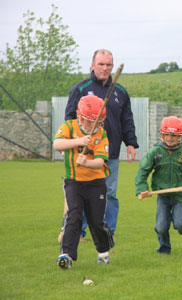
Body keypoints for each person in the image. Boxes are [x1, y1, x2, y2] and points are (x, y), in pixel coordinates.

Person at [65, 49, 139, 237]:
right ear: (92, 65)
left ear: (113, 67)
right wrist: (74, 142)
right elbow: (70, 119)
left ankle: (108, 232)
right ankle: (78, 232)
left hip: (110, 152)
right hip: (84, 152)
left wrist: (131, 143)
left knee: (110, 194)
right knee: (80, 193)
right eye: (101, 64)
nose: (105, 68)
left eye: (108, 65)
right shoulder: (81, 89)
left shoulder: (120, 92)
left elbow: (127, 119)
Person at [55, 95, 114, 269]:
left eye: (96, 122)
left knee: (96, 221)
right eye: (88, 121)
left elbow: (100, 162)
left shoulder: (101, 134)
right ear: (80, 116)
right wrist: (78, 141)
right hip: (73, 181)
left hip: (96, 183)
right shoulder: (69, 126)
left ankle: (103, 252)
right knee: (74, 216)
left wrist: (87, 162)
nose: (92, 126)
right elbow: (57, 144)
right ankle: (67, 255)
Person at [135, 116, 182, 254]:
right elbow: (142, 171)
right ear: (161, 134)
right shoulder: (155, 152)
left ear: (180, 136)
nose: (170, 138)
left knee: (179, 223)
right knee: (161, 226)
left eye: (174, 136)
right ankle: (164, 249)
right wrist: (142, 189)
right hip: (162, 194)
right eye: (166, 135)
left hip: (181, 195)